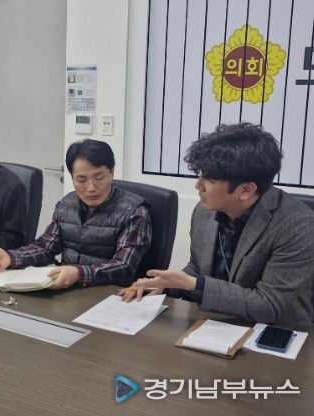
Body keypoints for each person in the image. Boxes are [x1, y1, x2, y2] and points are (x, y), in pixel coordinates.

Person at [123, 123, 314, 326]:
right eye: (200, 174)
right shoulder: (204, 212)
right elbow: (198, 268)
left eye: (210, 179)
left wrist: (194, 285)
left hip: (277, 332)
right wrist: (166, 285)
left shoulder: (297, 226)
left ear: (246, 190)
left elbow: (268, 305)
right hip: (215, 322)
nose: (198, 185)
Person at [0, 139, 152, 290]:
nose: (91, 188)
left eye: (99, 177)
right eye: (82, 180)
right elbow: (45, 248)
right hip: (67, 289)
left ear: (112, 172)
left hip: (112, 295)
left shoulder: (134, 212)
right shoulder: (66, 205)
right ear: (72, 178)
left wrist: (78, 273)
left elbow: (124, 266)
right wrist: (11, 257)